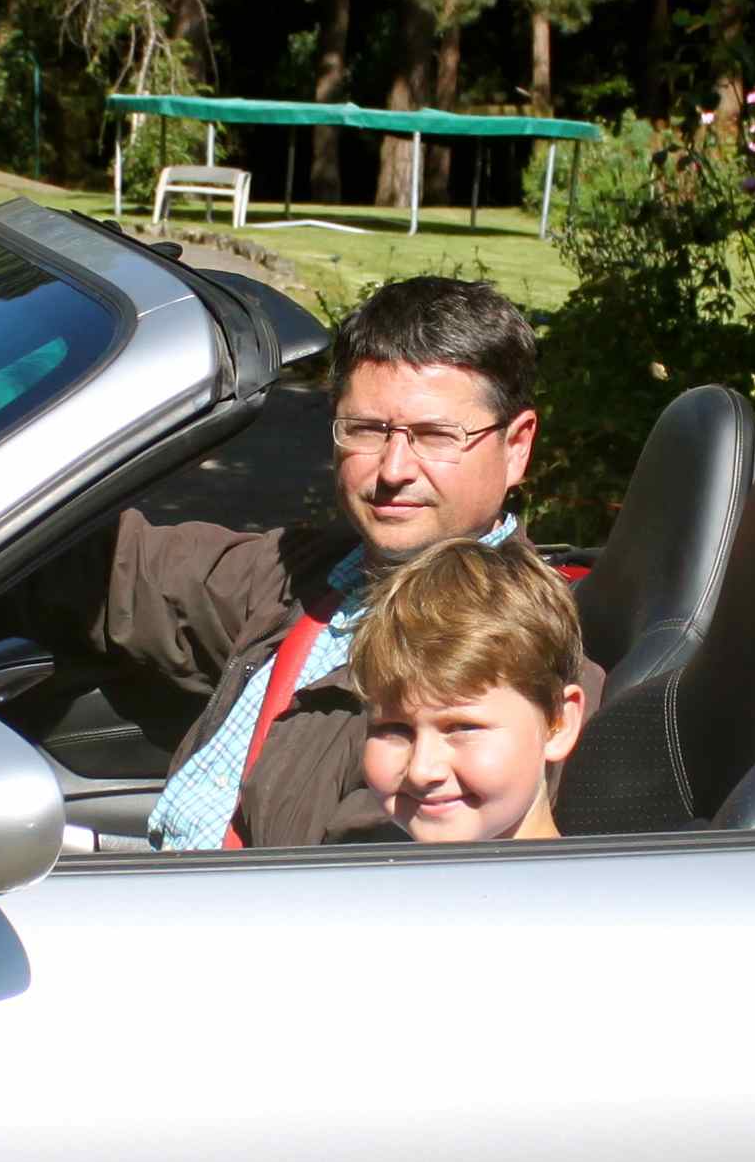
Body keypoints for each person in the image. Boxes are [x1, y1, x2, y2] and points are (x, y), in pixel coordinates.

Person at [69, 275, 605, 850]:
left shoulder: (522, 658)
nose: (394, 469)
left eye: (435, 436)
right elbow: (116, 570)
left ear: (517, 446)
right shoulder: (308, 573)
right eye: (366, 430)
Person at [347, 537, 589, 843]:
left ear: (559, 723)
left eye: (463, 728)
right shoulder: (361, 870)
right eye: (394, 729)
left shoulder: (602, 877)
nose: (422, 770)